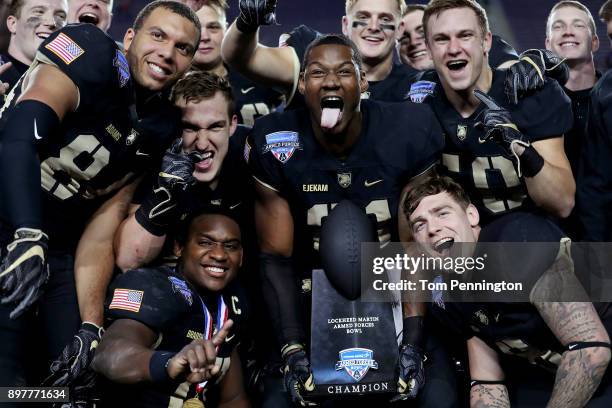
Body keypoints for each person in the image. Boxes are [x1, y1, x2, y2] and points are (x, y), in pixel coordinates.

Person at [0, 0, 200, 402]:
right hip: (12, 219)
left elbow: (102, 225)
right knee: (6, 378)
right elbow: (18, 134)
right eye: (158, 35)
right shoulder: (92, 52)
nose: (167, 52)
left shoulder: (161, 125)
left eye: (183, 47)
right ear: (129, 36)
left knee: (74, 384)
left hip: (56, 247)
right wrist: (26, 233)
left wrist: (91, 326)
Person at [247, 33, 458, 407]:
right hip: (313, 302)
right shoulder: (276, 140)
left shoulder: (406, 128)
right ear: (302, 85)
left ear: (363, 83)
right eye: (317, 73)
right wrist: (292, 347)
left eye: (344, 72)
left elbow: (414, 246)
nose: (330, 81)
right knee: (278, 402)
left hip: (396, 297)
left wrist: (411, 343)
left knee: (437, 399)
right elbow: (276, 258)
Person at [403, 174, 612, 407]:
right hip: (550, 374)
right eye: (419, 225)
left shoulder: (514, 243)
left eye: (442, 213)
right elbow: (488, 383)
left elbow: (591, 349)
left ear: (471, 215)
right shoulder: (445, 291)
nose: (432, 229)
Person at [408, 0, 574, 225]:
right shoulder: (419, 102)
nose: (454, 48)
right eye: (441, 39)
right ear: (428, 49)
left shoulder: (529, 93)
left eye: (465, 35)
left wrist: (522, 150)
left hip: (530, 237)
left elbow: (562, 203)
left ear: (486, 42)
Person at [93, 211, 250, 407]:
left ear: (241, 256)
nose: (219, 254)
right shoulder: (154, 286)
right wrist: (168, 363)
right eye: (205, 243)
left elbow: (233, 398)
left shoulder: (233, 302)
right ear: (179, 247)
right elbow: (107, 355)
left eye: (230, 246)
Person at [114, 70, 248, 271]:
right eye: (190, 128)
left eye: (215, 127)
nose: (202, 144)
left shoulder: (251, 156)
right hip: (162, 287)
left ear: (232, 125)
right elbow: (128, 260)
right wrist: (166, 190)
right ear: (174, 127)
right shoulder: (151, 158)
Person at [192, 0, 281, 126]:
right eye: (195, 28)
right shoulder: (167, 87)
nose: (204, 36)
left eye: (213, 27)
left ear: (226, 30)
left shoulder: (257, 72)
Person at [0, 0, 67, 89]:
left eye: (60, 16)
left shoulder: (69, 84)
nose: (52, 23)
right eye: (39, 12)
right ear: (13, 24)